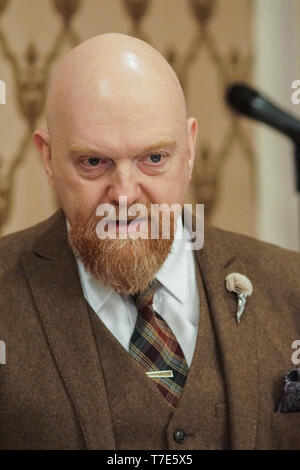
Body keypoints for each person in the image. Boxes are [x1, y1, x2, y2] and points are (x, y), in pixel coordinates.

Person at [0, 33, 299, 451]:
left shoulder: (291, 285)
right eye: (93, 162)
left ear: (190, 149)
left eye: (154, 159)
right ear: (48, 158)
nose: (124, 196)